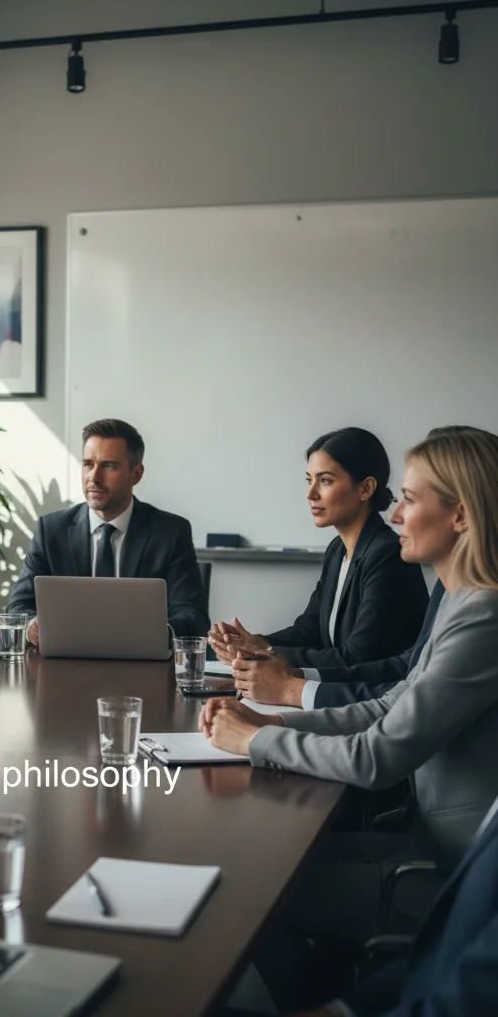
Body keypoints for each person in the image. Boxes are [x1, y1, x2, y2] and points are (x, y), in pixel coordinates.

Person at [201, 427, 498, 878]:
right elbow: (390, 703)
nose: (395, 514)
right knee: (253, 859)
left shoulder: (482, 617)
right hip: (421, 837)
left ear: (460, 516)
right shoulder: (458, 600)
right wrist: (270, 719)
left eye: (410, 500)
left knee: (250, 877)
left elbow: (375, 757)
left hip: (450, 870)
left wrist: (255, 739)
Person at [211, 427, 428, 669]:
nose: (310, 494)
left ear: (366, 488)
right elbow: (310, 629)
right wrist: (256, 642)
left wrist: (265, 654)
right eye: (309, 480)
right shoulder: (338, 549)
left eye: (325, 480)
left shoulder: (387, 555)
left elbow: (357, 657)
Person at [296, 791, 498, 1017]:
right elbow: (438, 952)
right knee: (292, 863)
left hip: (422, 879)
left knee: (283, 900)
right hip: (424, 857)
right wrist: (341, 1009)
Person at [8, 418, 209, 644]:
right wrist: (32, 625)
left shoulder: (170, 533)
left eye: (108, 466)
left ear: (136, 474)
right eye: (88, 464)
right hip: (63, 666)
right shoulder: (51, 530)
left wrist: (156, 634)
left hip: (142, 667)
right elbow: (18, 607)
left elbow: (193, 617)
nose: (94, 478)